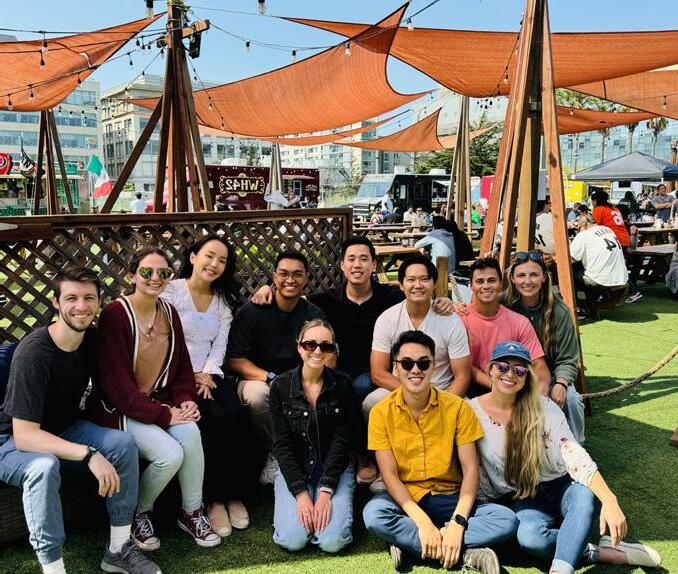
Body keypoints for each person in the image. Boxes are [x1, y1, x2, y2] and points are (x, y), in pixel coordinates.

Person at [250, 237, 455, 485]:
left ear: (373, 264)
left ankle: (364, 454)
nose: (357, 265)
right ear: (342, 265)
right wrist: (267, 289)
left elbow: (417, 298)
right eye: (351, 259)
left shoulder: (389, 297)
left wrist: (444, 301)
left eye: (364, 259)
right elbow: (295, 299)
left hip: (377, 369)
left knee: (359, 387)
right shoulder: (326, 300)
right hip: (336, 366)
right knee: (339, 385)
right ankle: (331, 452)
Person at [0, 267, 161, 574]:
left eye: (89, 298)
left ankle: (117, 550)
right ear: (56, 302)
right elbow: (25, 436)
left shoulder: (91, 340)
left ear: (98, 302)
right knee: (43, 467)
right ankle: (53, 568)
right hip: (11, 443)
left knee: (122, 443)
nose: (81, 306)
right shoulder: (33, 354)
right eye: (71, 298)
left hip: (65, 429)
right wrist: (89, 454)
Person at [469, 341, 662, 574]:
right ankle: (594, 550)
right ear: (489, 369)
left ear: (526, 376)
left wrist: (610, 500)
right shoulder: (470, 411)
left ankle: (561, 569)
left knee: (583, 495)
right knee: (530, 539)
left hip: (560, 486)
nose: (510, 374)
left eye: (519, 370)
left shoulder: (543, 407)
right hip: (521, 498)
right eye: (502, 367)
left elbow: (573, 453)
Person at [90, 246, 220, 551]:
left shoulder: (169, 312)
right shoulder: (115, 314)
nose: (155, 278)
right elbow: (118, 389)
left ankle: (192, 512)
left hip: (157, 403)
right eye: (147, 272)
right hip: (118, 409)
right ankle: (139, 513)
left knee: (190, 432)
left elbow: (182, 367)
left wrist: (185, 399)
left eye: (163, 273)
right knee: (169, 454)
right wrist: (165, 415)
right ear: (132, 276)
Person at [362, 330, 518, 573]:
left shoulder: (458, 408)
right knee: (374, 515)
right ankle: (465, 555)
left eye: (423, 363)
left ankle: (411, 544)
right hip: (405, 498)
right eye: (407, 363)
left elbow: (470, 471)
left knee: (506, 520)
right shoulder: (380, 413)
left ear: (433, 366)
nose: (415, 370)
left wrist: (457, 523)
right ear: (396, 368)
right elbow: (390, 477)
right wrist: (423, 522)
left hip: (449, 495)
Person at [160, 235, 260, 537]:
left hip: (211, 375)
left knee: (235, 413)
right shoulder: (171, 292)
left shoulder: (222, 300)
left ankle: (234, 495)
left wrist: (207, 374)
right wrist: (190, 374)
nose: (214, 264)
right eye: (209, 256)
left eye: (222, 260)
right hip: (176, 376)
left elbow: (221, 343)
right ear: (193, 257)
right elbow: (164, 339)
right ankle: (213, 499)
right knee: (211, 418)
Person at [225, 251, 326, 485]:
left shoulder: (313, 314)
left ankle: (310, 452)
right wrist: (272, 378)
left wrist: (303, 380)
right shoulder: (254, 310)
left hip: (301, 378)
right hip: (258, 379)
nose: (290, 280)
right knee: (259, 396)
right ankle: (275, 454)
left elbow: (328, 357)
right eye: (284, 273)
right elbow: (235, 359)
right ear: (274, 277)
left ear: (306, 278)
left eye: (297, 274)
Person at [270, 319, 355, 553]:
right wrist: (300, 493)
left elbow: (342, 440)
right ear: (299, 347)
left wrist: (326, 490)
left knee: (333, 541)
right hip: (297, 468)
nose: (317, 351)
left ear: (332, 350)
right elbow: (282, 445)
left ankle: (328, 512)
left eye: (325, 346)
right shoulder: (280, 387)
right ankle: (304, 519)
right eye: (310, 344)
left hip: (335, 468)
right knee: (292, 540)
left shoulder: (344, 385)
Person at [366, 255, 471, 416]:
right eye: (411, 280)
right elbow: (378, 373)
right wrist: (414, 395)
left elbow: (462, 376)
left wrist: (441, 404)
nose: (418, 285)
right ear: (401, 285)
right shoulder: (387, 319)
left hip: (443, 391)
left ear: (434, 283)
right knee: (371, 403)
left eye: (424, 279)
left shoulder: (451, 321)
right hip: (400, 388)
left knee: (472, 415)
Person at [502, 252, 586, 442]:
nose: (527, 281)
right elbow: (477, 309)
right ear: (512, 279)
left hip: (552, 373)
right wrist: (452, 305)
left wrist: (561, 383)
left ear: (543, 278)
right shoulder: (503, 304)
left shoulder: (559, 311)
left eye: (534, 275)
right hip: (516, 372)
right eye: (521, 275)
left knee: (571, 400)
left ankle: (577, 447)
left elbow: (568, 357)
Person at [458, 258, 552, 394]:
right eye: (480, 281)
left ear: (501, 284)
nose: (486, 286)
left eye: (491, 280)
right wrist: (494, 385)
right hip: (471, 387)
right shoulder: (460, 317)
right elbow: (462, 365)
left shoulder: (519, 322)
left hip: (510, 386)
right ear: (471, 286)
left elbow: (538, 364)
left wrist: (542, 383)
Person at [570, 213, 628, 294]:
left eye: (579, 228)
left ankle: (583, 301)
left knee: (570, 274)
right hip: (622, 278)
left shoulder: (583, 235)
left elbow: (571, 258)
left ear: (584, 226)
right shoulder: (608, 229)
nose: (578, 231)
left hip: (601, 281)